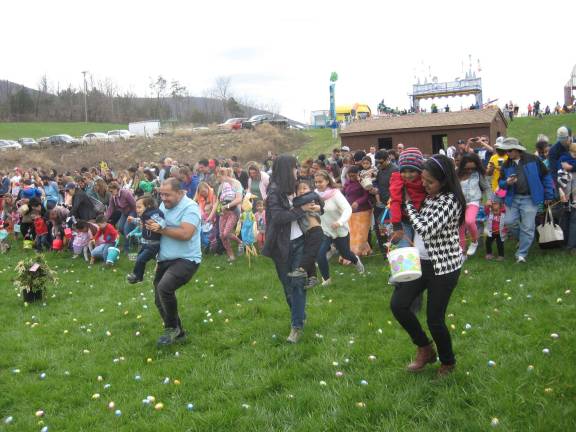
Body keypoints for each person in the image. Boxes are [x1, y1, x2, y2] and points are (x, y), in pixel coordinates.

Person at [390, 154, 465, 376]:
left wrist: (407, 203)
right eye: (423, 180)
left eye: (429, 182)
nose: (424, 185)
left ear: (444, 180)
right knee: (399, 304)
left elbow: (426, 228)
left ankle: (448, 362)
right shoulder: (430, 195)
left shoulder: (450, 200)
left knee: (435, 319)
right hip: (421, 261)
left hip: (444, 266)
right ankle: (425, 347)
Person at [262, 155, 317, 343]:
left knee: (297, 283)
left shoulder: (298, 186)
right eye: (295, 167)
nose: (297, 170)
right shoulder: (274, 192)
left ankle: (296, 326)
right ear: (287, 169)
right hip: (281, 246)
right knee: (288, 287)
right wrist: (301, 210)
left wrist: (316, 205)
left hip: (300, 242)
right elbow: (278, 218)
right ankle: (299, 314)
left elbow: (316, 200)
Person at [145, 177, 202, 346]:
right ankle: (180, 333)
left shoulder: (191, 208)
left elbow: (186, 234)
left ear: (179, 192)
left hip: (187, 259)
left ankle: (171, 328)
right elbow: (161, 227)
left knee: (165, 288)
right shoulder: (164, 205)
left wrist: (161, 229)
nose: (163, 198)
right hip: (165, 259)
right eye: (161, 194)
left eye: (167, 195)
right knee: (159, 298)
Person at [499, 138, 554, 263]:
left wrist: (549, 195)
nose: (507, 153)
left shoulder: (533, 159)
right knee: (508, 222)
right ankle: (523, 239)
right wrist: (506, 182)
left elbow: (546, 176)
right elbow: (500, 183)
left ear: (517, 150)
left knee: (528, 227)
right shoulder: (506, 165)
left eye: (510, 150)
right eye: (506, 150)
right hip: (513, 199)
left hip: (530, 198)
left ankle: (521, 254)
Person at [315, 170, 364, 286]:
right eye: (316, 182)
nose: (317, 184)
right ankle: (326, 280)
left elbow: (348, 209)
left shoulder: (335, 194)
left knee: (346, 254)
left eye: (320, 182)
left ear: (327, 181)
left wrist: (340, 222)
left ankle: (356, 261)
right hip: (325, 230)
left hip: (340, 229)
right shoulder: (314, 195)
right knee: (320, 254)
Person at [287, 182, 325, 288]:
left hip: (316, 231)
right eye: (299, 189)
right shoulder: (300, 203)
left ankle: (302, 269)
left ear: (310, 189)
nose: (302, 190)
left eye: (305, 188)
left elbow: (318, 202)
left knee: (310, 254)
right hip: (307, 233)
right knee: (308, 254)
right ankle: (312, 277)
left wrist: (320, 207)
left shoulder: (309, 198)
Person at [126, 195, 165, 284]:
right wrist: (132, 220)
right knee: (139, 259)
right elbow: (141, 221)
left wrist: (159, 225)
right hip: (146, 244)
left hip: (153, 245)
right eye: (136, 207)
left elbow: (163, 221)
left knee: (140, 259)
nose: (137, 209)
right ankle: (139, 277)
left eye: (139, 207)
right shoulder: (146, 215)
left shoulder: (154, 214)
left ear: (148, 207)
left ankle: (136, 276)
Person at [457, 153, 491, 256]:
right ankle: (462, 253)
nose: (470, 170)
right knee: (460, 228)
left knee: (470, 221)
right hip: (460, 203)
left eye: (473, 168)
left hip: (473, 201)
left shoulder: (479, 174)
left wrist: (489, 199)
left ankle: (474, 241)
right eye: (467, 168)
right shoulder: (457, 174)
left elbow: (487, 187)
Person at [343, 165, 372, 256]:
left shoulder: (363, 181)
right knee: (353, 233)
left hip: (363, 210)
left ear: (358, 174)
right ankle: (364, 250)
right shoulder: (347, 183)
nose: (351, 178)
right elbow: (345, 193)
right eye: (349, 176)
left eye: (353, 176)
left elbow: (366, 196)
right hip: (351, 211)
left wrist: (357, 202)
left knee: (360, 233)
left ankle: (355, 254)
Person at [216, 167, 243, 261]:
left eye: (219, 177)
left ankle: (240, 242)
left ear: (225, 175)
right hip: (223, 213)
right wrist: (213, 214)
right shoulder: (221, 186)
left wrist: (226, 206)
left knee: (226, 233)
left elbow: (239, 199)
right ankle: (231, 255)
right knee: (221, 235)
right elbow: (218, 201)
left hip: (233, 212)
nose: (218, 179)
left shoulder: (236, 184)